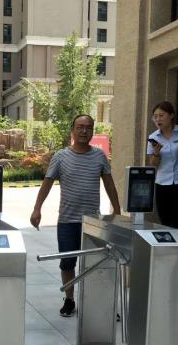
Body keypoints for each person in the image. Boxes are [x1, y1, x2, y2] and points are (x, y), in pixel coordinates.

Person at [30, 114, 121, 317]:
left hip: (93, 222)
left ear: (92, 131)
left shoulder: (99, 156)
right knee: (68, 262)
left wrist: (117, 210)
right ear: (72, 130)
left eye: (88, 127)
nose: (84, 131)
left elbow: (109, 184)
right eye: (80, 127)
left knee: (97, 263)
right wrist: (37, 209)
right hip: (68, 221)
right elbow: (47, 183)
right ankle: (69, 299)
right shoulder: (60, 157)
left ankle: (100, 303)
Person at [146, 101, 178, 229]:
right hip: (162, 184)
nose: (158, 119)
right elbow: (153, 164)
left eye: (161, 115)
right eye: (155, 116)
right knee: (166, 222)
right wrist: (156, 153)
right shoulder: (153, 137)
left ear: (171, 115)